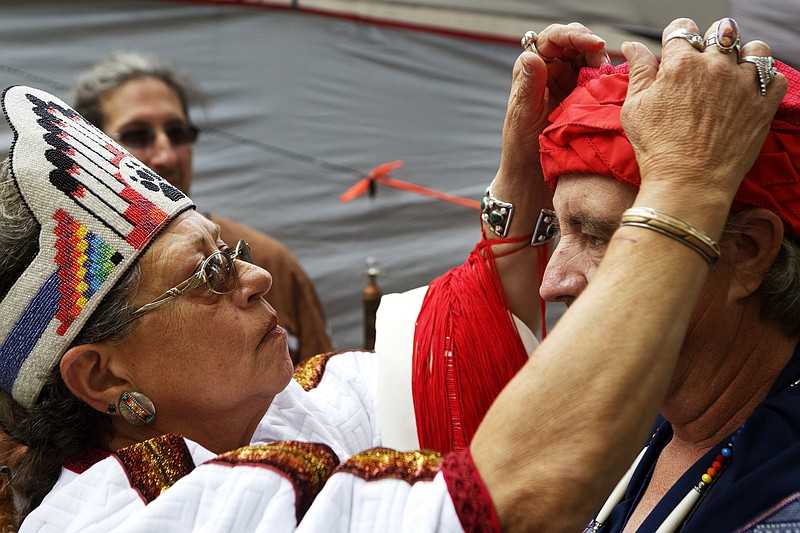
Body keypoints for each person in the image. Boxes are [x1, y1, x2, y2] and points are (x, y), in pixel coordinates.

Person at [0, 18, 784, 532]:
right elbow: (516, 489)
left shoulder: (268, 412)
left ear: (750, 253)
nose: (254, 278)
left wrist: (518, 200)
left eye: (228, 250)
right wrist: (684, 186)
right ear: (103, 376)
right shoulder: (117, 518)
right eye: (205, 273)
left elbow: (444, 367)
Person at [536, 18, 800, 532]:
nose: (553, 282)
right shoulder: (632, 431)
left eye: (600, 237)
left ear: (747, 251)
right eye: (557, 231)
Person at [73, 53, 334, 363]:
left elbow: (321, 390)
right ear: (90, 149)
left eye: (178, 133)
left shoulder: (268, 265)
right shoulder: (77, 276)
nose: (166, 156)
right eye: (137, 136)